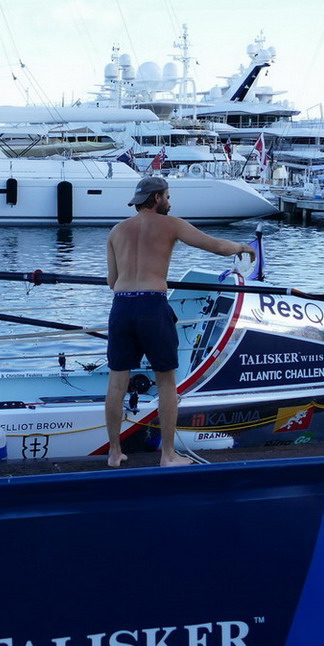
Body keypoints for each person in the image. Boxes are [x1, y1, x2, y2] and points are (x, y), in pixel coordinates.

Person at [105, 176, 255, 468]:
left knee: (116, 384)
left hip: (122, 306)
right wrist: (242, 247)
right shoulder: (171, 224)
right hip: (151, 304)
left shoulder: (116, 231)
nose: (170, 202)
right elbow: (216, 246)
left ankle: (114, 452)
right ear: (158, 197)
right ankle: (168, 455)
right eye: (168, 196)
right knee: (166, 382)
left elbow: (112, 281)